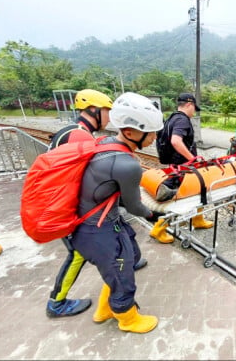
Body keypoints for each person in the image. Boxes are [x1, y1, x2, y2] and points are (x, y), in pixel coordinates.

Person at [46, 89, 152, 319]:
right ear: (94, 110)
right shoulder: (80, 136)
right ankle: (56, 302)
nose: (109, 116)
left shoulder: (75, 132)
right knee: (78, 255)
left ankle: (128, 263)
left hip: (84, 207)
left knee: (123, 239)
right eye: (107, 110)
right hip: (74, 211)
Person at [70, 92, 163, 333]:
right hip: (97, 228)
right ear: (131, 133)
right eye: (150, 132)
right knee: (122, 273)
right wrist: (154, 215)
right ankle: (127, 318)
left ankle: (105, 308)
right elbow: (133, 206)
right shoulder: (127, 163)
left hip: (96, 221)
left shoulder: (104, 143)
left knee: (129, 254)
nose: (154, 138)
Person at [149, 93, 214, 244]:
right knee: (179, 199)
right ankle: (158, 229)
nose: (194, 112)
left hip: (176, 165)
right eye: (194, 109)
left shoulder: (172, 118)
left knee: (198, 190)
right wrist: (191, 158)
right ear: (189, 104)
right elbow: (176, 141)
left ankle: (198, 219)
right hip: (183, 168)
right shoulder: (183, 120)